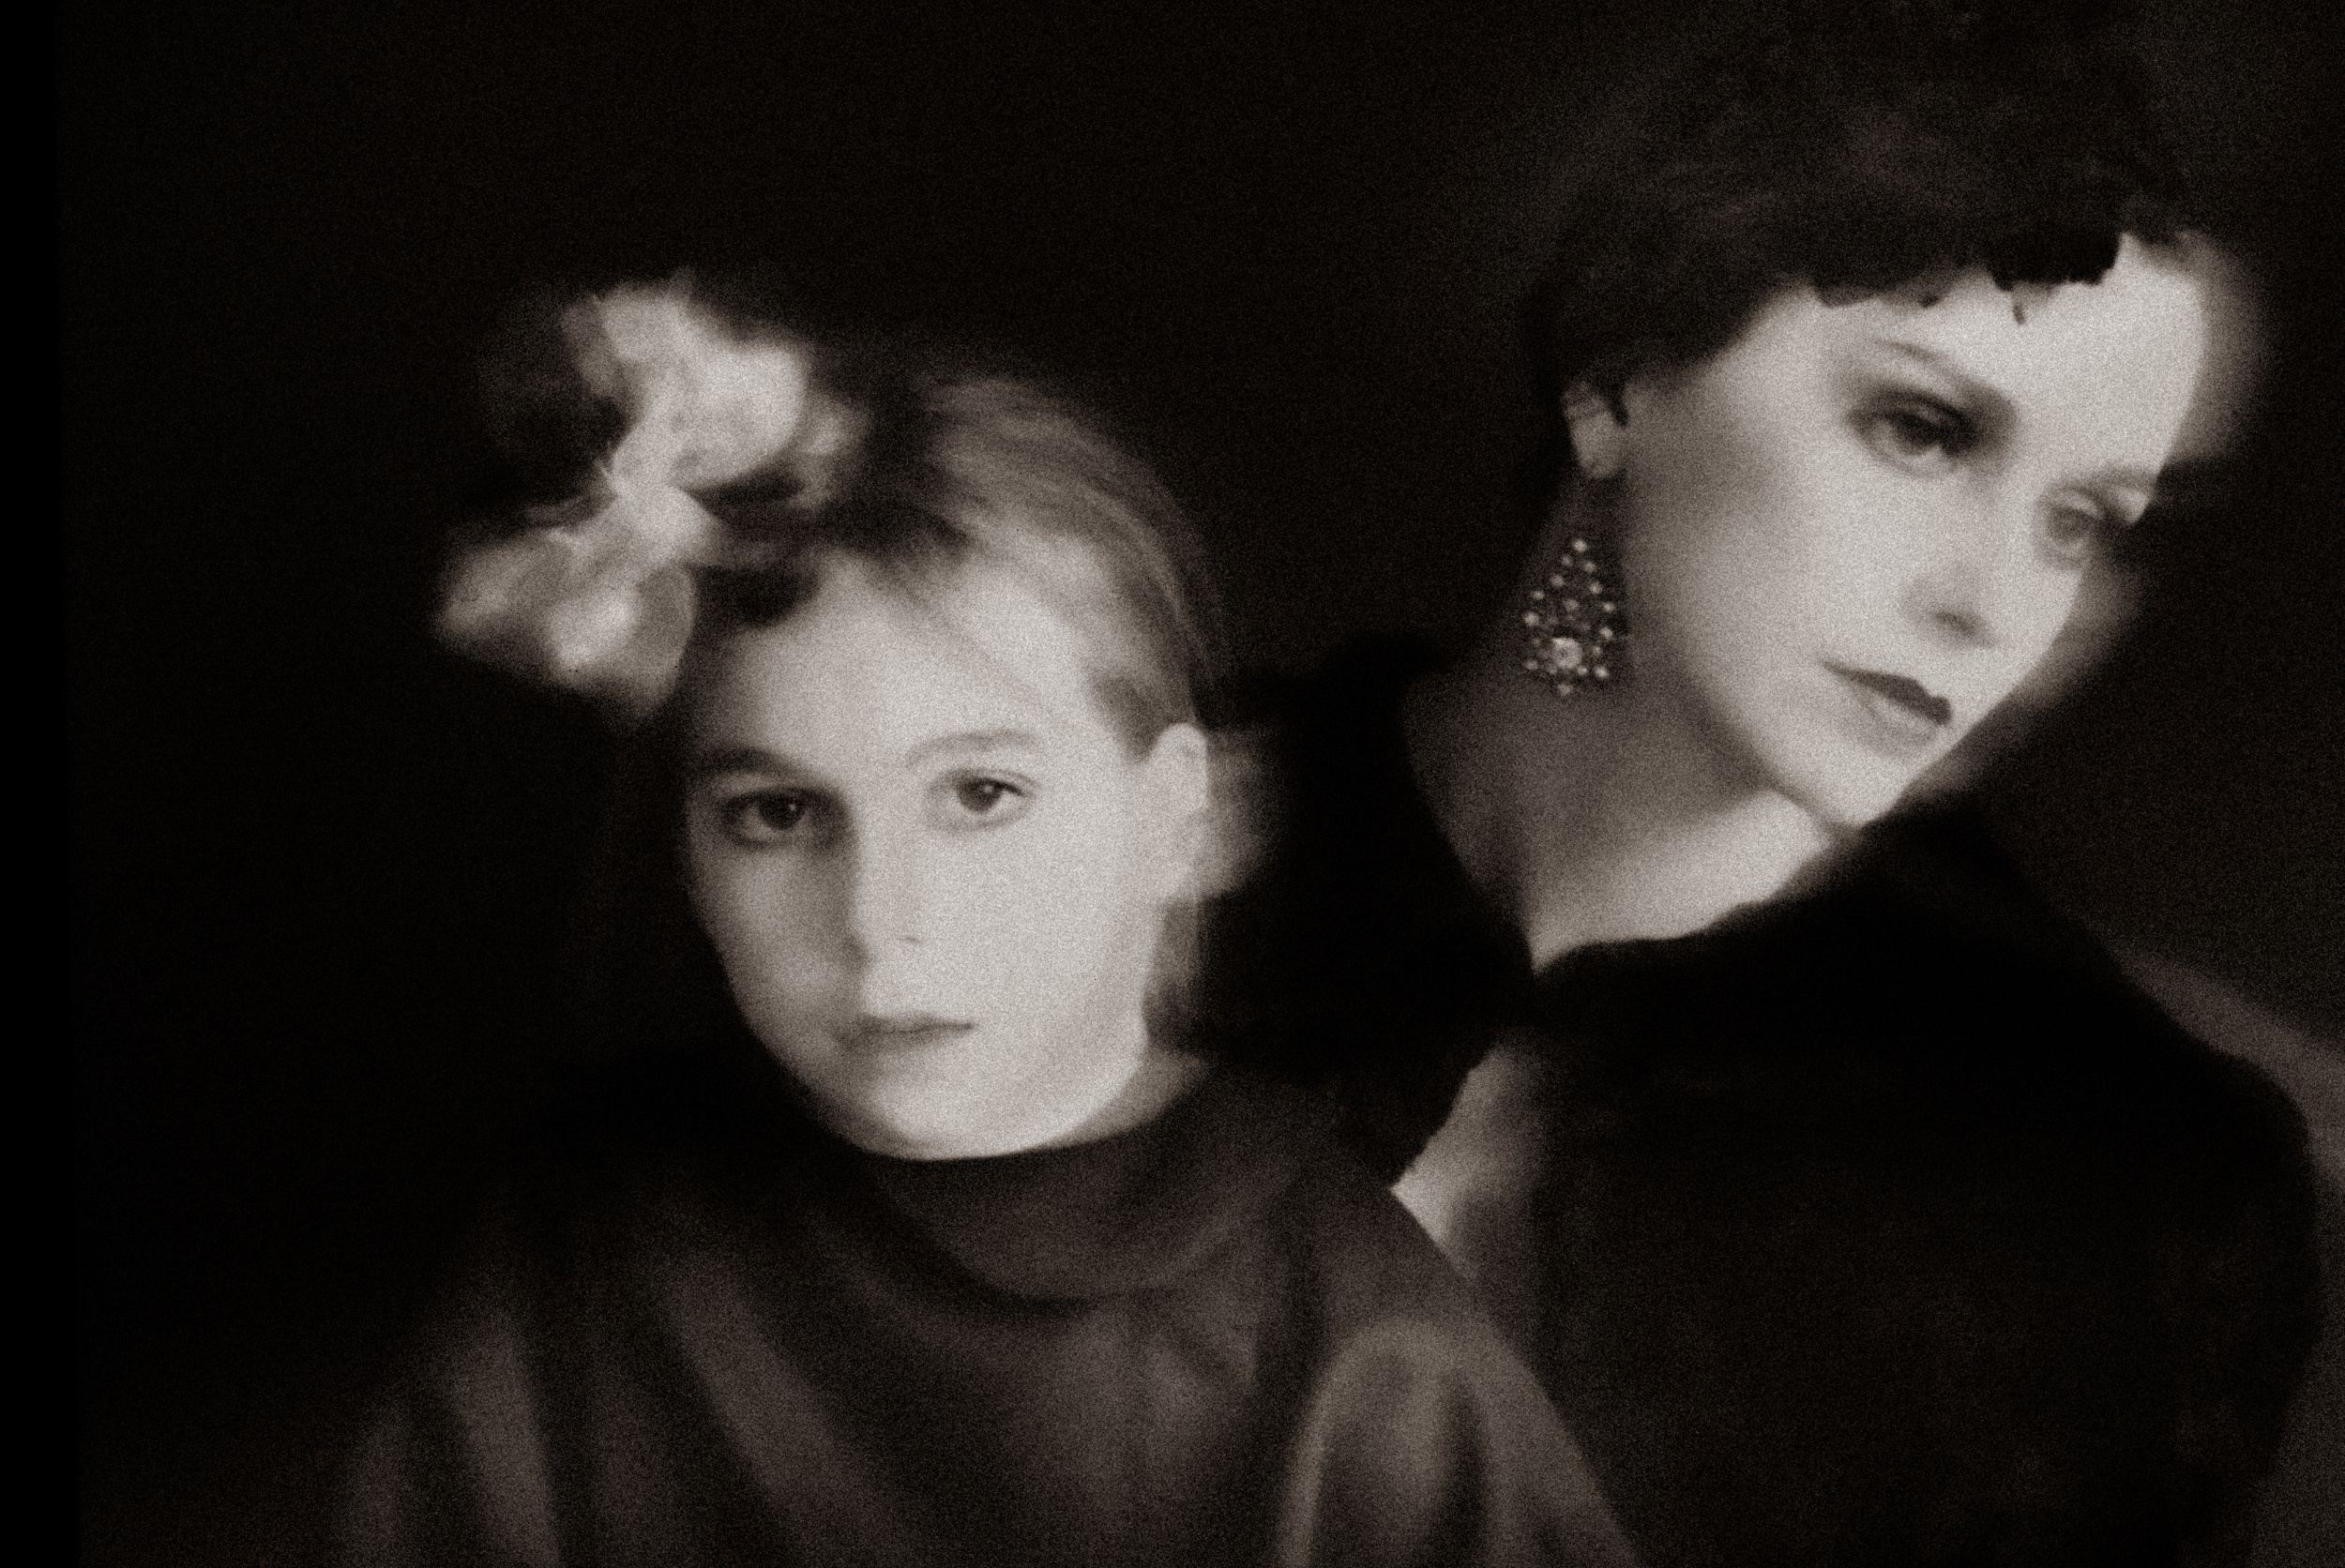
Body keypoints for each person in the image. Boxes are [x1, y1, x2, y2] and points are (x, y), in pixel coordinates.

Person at [1200, 2, 2322, 1562]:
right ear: (1620, 374)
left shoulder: (2131, 1186)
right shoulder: (1095, 845)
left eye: (2081, 521)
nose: (1996, 603)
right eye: (1923, 429)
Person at [336, 284, 1637, 1568]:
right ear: (688, 848)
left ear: (1178, 818)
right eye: (779, 813)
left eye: (980, 796)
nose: (878, 921)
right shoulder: (579, 1251)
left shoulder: (1366, 1359)